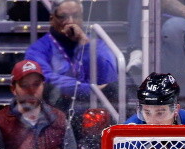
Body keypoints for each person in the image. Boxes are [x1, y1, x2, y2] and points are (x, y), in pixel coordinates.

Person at [24, 0, 118, 137]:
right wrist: (91, 88)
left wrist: (84, 43)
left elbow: (109, 75)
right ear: (52, 19)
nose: (70, 21)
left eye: (76, 16)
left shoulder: (95, 44)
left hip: (96, 106)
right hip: (61, 107)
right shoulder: (38, 49)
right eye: (63, 16)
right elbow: (46, 79)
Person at [0, 59, 79, 149]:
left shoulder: (60, 119)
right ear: (13, 89)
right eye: (24, 85)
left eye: (36, 84)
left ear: (43, 86)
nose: (31, 91)